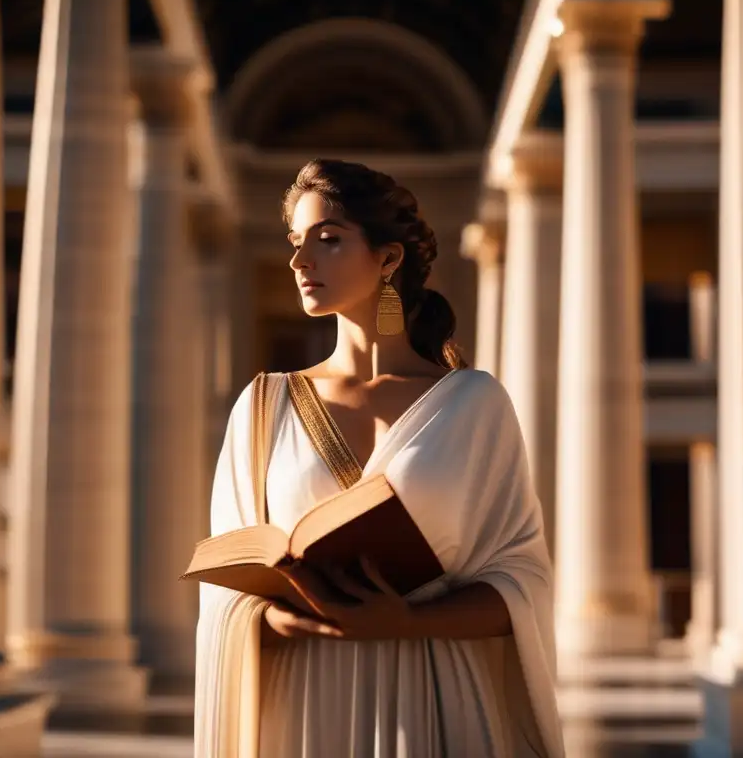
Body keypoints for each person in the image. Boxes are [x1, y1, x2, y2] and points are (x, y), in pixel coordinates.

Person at [194, 159, 564, 757]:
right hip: (305, 702)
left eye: (328, 239)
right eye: (296, 242)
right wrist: (282, 619)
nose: (299, 262)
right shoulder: (264, 405)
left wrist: (407, 623)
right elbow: (226, 586)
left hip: (435, 697)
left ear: (389, 259)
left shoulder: (475, 403)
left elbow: (522, 580)